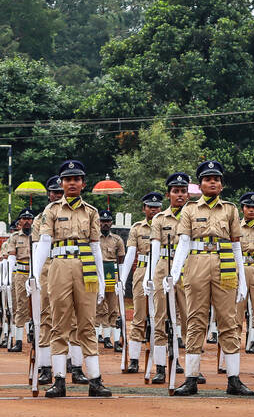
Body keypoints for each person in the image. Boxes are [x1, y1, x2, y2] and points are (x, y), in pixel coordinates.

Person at [169, 160, 251, 396]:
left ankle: (233, 378)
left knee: (229, 320)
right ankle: (191, 378)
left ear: (222, 184)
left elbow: (236, 245)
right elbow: (183, 242)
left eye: (216, 179)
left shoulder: (230, 209)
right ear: (200, 184)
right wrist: (175, 273)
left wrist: (242, 279)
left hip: (225, 262)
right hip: (196, 263)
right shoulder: (190, 209)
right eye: (207, 179)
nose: (212, 182)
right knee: (195, 320)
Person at [30, 160, 110, 397]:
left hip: (86, 265)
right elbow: (44, 243)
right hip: (59, 265)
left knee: (87, 323)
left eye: (76, 179)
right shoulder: (52, 210)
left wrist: (102, 279)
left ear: (83, 184)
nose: (72, 183)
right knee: (59, 322)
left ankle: (95, 380)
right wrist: (35, 273)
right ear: (62, 183)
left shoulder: (92, 212)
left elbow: (96, 248)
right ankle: (59, 379)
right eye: (67, 179)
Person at [145, 173, 191, 384]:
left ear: (188, 193)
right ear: (168, 194)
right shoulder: (159, 218)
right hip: (164, 265)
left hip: (189, 267)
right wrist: (149, 276)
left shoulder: (193, 214)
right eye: (175, 191)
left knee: (190, 318)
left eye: (182, 191)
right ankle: (161, 366)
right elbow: (154, 249)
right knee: (160, 318)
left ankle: (190, 366)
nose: (179, 195)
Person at [122, 192, 162, 374]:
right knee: (139, 316)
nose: (153, 210)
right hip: (142, 269)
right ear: (144, 208)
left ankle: (166, 360)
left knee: (163, 316)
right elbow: (130, 254)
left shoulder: (167, 224)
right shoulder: (137, 228)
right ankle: (134, 360)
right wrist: (122, 278)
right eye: (150, 207)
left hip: (162, 269)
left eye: (156, 207)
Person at [30, 175, 64, 382]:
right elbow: (37, 248)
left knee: (70, 318)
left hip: (67, 265)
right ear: (49, 194)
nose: (57, 195)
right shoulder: (40, 218)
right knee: (45, 316)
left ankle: (73, 365)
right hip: (46, 268)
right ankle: (44, 367)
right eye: (54, 192)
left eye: (59, 192)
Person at [236, 191, 254, 355]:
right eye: (248, 207)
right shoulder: (235, 228)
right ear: (242, 209)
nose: (251, 210)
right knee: (236, 313)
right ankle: (231, 353)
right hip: (239, 271)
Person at [96, 210, 125, 350]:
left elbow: (121, 260)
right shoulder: (94, 238)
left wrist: (121, 279)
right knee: (99, 308)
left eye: (107, 221)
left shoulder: (117, 240)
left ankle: (113, 341)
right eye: (102, 221)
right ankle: (98, 337)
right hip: (97, 275)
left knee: (113, 308)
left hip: (112, 276)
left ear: (111, 223)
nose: (105, 224)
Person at [6, 208, 34, 352]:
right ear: (20, 221)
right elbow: (11, 257)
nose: (27, 221)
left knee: (38, 306)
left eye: (30, 219)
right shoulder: (15, 237)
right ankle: (18, 341)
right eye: (24, 218)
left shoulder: (38, 236)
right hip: (21, 274)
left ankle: (35, 337)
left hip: (35, 273)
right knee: (20, 306)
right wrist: (9, 277)